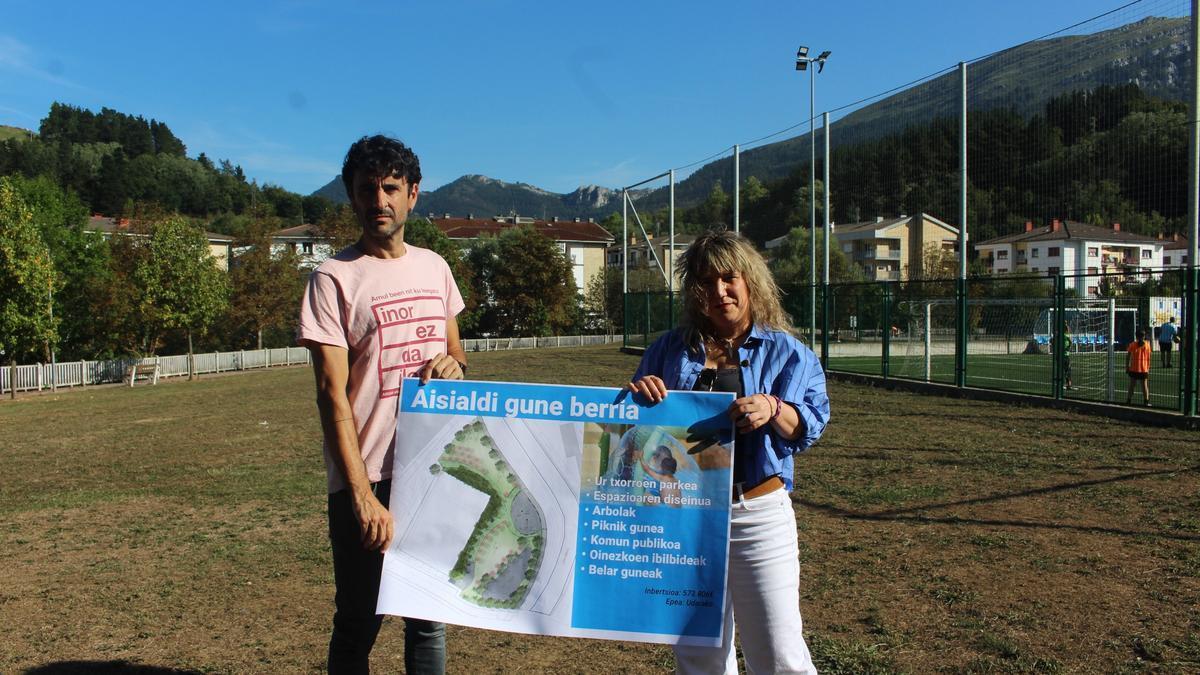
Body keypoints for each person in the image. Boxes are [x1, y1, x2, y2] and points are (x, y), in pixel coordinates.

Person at [299, 135, 466, 674]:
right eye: (367, 189)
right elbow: (331, 397)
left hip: (434, 468)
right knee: (357, 622)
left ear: (412, 194)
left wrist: (454, 366)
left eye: (390, 188)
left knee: (427, 620)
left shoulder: (435, 267)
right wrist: (362, 496)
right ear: (352, 198)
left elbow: (457, 352)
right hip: (368, 476)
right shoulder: (333, 278)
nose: (379, 200)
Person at [627, 230, 829, 674]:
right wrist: (639, 393)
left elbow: (809, 426)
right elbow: (633, 428)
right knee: (698, 654)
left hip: (757, 511)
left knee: (779, 653)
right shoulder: (668, 348)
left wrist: (775, 407)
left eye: (727, 278)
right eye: (705, 282)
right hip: (685, 513)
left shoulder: (788, 353)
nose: (718, 292)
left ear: (750, 279)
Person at [1126, 329, 1151, 407]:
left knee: (1132, 385)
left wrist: (1127, 366)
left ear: (1136, 336)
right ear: (1144, 336)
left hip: (1134, 368)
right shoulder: (1147, 345)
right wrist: (1148, 367)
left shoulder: (1132, 344)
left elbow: (1128, 356)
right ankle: (1146, 402)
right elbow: (1148, 357)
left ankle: (1129, 400)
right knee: (1144, 386)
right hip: (1143, 368)